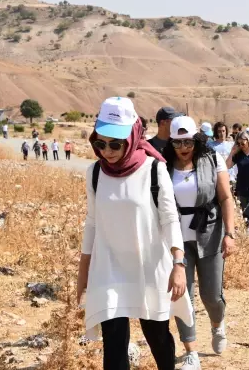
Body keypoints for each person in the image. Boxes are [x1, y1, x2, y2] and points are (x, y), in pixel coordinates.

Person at [77, 97, 187, 370]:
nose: (107, 151)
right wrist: (82, 274)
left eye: (115, 143)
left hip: (149, 268)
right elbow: (91, 223)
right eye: (100, 143)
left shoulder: (154, 169)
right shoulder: (94, 174)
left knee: (158, 339)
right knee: (113, 346)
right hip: (109, 270)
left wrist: (179, 263)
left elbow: (170, 218)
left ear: (133, 136)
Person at [162, 116, 237, 370]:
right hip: (177, 240)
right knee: (182, 296)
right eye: (177, 143)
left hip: (210, 233)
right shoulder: (162, 166)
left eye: (188, 142)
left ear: (197, 140)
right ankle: (191, 350)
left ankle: (217, 324)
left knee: (211, 295)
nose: (183, 148)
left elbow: (226, 198)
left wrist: (230, 233)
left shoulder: (213, 159)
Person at [211, 122, 236, 186]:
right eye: (219, 131)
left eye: (223, 131)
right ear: (216, 132)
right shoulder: (210, 146)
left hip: (229, 177)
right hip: (216, 177)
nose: (222, 133)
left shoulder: (231, 145)